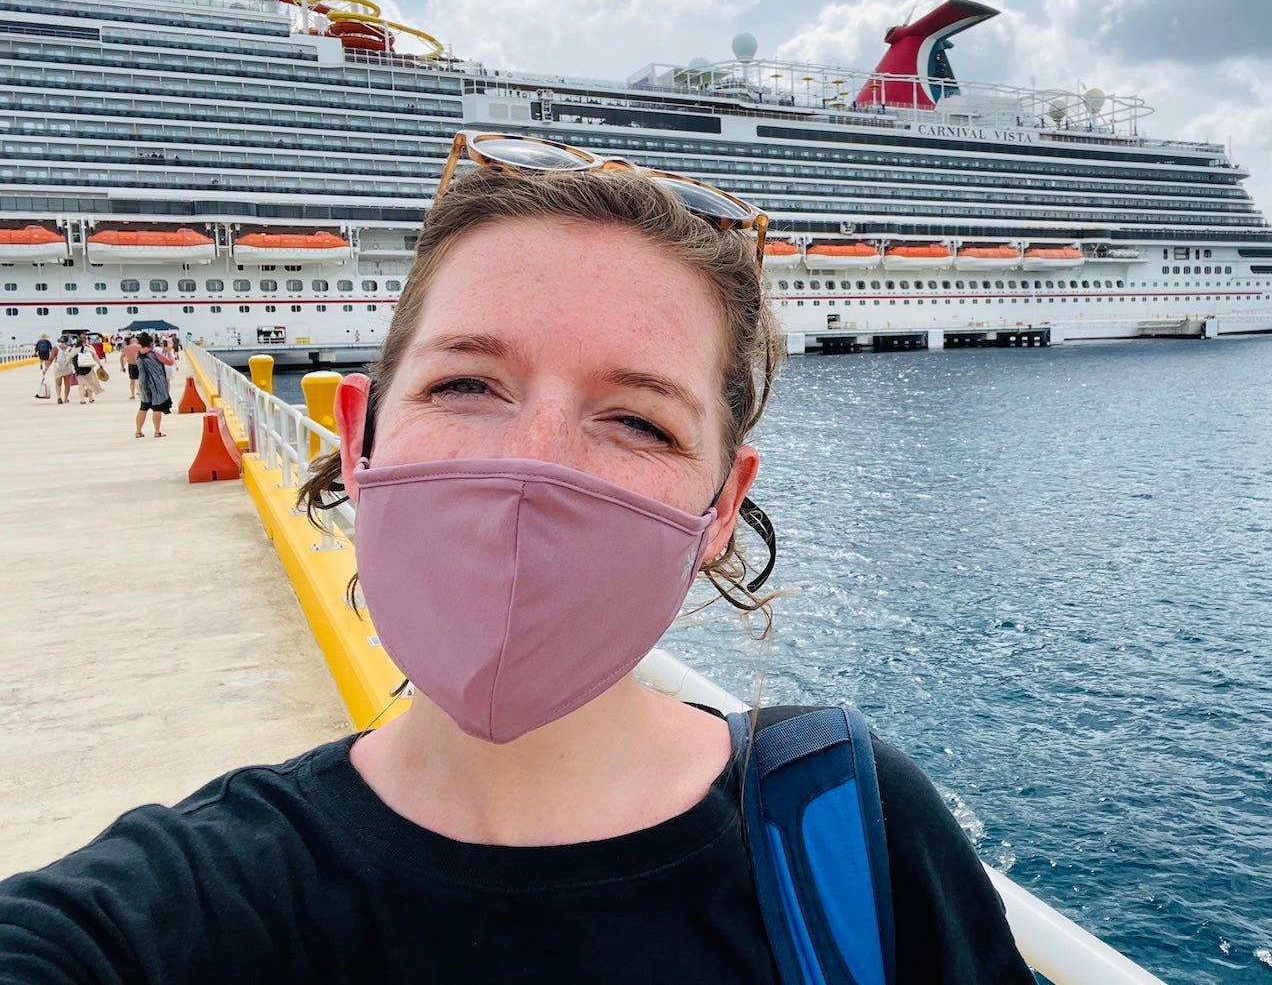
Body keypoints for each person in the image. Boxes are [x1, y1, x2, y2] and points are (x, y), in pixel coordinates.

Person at [0, 142, 1033, 982]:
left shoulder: (851, 828)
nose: (528, 468)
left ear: (720, 505)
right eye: (463, 386)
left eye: (635, 419)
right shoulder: (174, 910)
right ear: (358, 439)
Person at [132, 332, 174, 437]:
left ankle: (138, 431)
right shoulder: (154, 354)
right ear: (151, 343)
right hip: (156, 383)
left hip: (143, 382)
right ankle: (157, 431)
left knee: (143, 407)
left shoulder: (138, 354)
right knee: (157, 407)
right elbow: (169, 362)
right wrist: (169, 352)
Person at [72, 335, 105, 405]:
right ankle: (90, 398)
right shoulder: (89, 348)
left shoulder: (74, 349)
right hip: (88, 368)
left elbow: (70, 358)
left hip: (79, 370)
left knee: (81, 385)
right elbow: (95, 357)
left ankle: (82, 399)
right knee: (89, 383)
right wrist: (100, 365)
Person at [47, 335, 75, 405]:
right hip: (68, 367)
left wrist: (46, 368)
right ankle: (65, 399)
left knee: (58, 384)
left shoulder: (55, 348)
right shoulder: (70, 348)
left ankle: (59, 397)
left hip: (58, 368)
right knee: (67, 384)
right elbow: (73, 359)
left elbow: (51, 359)